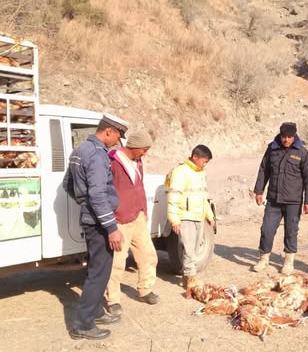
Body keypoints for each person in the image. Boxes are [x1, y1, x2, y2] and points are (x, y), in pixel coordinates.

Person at [63, 112, 128, 340]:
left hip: (92, 219)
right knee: (99, 273)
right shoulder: (98, 155)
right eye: (118, 136)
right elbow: (99, 194)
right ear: (108, 131)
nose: (118, 142)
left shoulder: (80, 150)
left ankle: (96, 311)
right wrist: (111, 228)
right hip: (99, 223)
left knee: (95, 269)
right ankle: (83, 324)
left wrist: (85, 203)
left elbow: (68, 185)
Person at [105, 130, 159, 314]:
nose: (145, 153)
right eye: (144, 149)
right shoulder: (113, 162)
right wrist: (111, 221)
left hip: (138, 217)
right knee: (117, 262)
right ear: (134, 147)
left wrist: (144, 210)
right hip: (119, 220)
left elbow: (140, 187)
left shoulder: (138, 161)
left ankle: (145, 289)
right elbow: (105, 191)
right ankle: (113, 299)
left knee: (148, 255)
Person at [253, 122, 308, 275]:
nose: (286, 140)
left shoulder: (302, 152)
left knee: (291, 231)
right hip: (273, 199)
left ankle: (288, 261)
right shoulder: (272, 149)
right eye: (283, 136)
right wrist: (259, 190)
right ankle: (263, 259)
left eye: (289, 137)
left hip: (293, 201)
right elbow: (263, 170)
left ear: (294, 136)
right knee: (266, 229)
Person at [166, 144, 215, 297]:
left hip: (198, 216)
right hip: (185, 216)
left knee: (194, 249)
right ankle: (191, 283)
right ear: (195, 157)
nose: (205, 164)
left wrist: (209, 215)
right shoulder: (181, 172)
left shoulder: (201, 173)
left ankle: (185, 277)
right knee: (189, 250)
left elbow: (204, 196)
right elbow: (173, 196)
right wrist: (174, 219)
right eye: (204, 161)